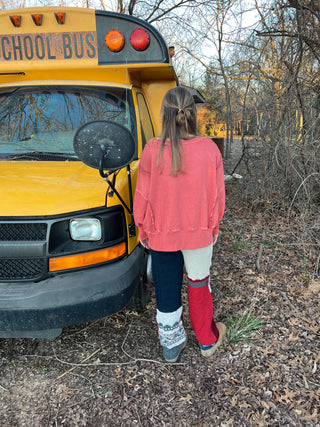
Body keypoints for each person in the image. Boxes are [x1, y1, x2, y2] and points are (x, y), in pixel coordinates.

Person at [133, 86, 226, 363]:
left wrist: (143, 227)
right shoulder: (209, 149)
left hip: (161, 235)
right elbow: (217, 195)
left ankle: (171, 345)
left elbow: (143, 195)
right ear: (193, 114)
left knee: (167, 287)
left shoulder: (152, 150)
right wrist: (213, 226)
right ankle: (207, 340)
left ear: (164, 115)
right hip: (198, 234)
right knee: (199, 284)